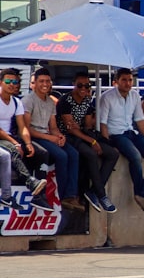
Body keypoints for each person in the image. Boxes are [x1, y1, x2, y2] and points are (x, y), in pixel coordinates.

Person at [100, 67, 144, 214]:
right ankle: (139, 193)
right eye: (124, 80)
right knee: (135, 156)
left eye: (130, 80)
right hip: (116, 134)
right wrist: (106, 143)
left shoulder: (135, 95)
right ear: (116, 81)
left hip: (132, 132)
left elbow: (140, 120)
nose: (128, 83)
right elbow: (102, 123)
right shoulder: (107, 97)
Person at [22, 67, 84, 211]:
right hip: (35, 137)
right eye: (41, 81)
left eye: (48, 81)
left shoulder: (50, 102)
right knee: (62, 156)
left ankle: (72, 195)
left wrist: (59, 136)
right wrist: (50, 137)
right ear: (35, 83)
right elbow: (27, 129)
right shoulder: (28, 100)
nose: (45, 84)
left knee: (74, 154)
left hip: (48, 136)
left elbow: (53, 126)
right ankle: (64, 197)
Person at [56, 71, 119, 212]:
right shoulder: (65, 101)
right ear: (73, 85)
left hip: (83, 134)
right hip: (69, 138)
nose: (84, 88)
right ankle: (102, 195)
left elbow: (87, 125)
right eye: (80, 85)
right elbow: (70, 129)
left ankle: (93, 191)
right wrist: (92, 141)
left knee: (112, 154)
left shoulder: (87, 100)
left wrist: (94, 114)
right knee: (90, 154)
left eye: (87, 85)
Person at [0, 68, 51, 212]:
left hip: (9, 137)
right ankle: (30, 182)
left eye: (15, 82)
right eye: (8, 81)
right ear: (1, 82)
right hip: (3, 138)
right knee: (12, 150)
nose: (12, 84)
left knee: (42, 153)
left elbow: (22, 127)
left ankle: (39, 197)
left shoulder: (16, 102)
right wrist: (15, 143)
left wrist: (28, 143)